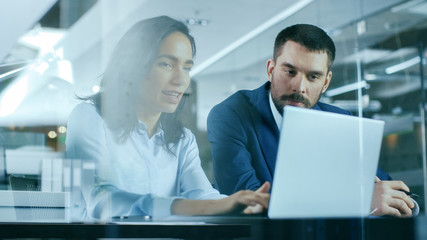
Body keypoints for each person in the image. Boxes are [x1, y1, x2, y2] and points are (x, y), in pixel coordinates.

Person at [66, 16, 270, 220]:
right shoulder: (89, 118)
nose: (181, 80)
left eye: (187, 68)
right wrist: (181, 206)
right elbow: (102, 200)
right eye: (166, 65)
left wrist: (243, 205)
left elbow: (202, 195)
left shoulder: (182, 140)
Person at [207, 24, 416, 217]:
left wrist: (405, 203)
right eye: (290, 71)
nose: (299, 87)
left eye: (313, 76)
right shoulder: (231, 115)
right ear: (271, 69)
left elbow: (386, 188)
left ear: (326, 82)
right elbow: (248, 204)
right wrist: (357, 200)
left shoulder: (339, 121)